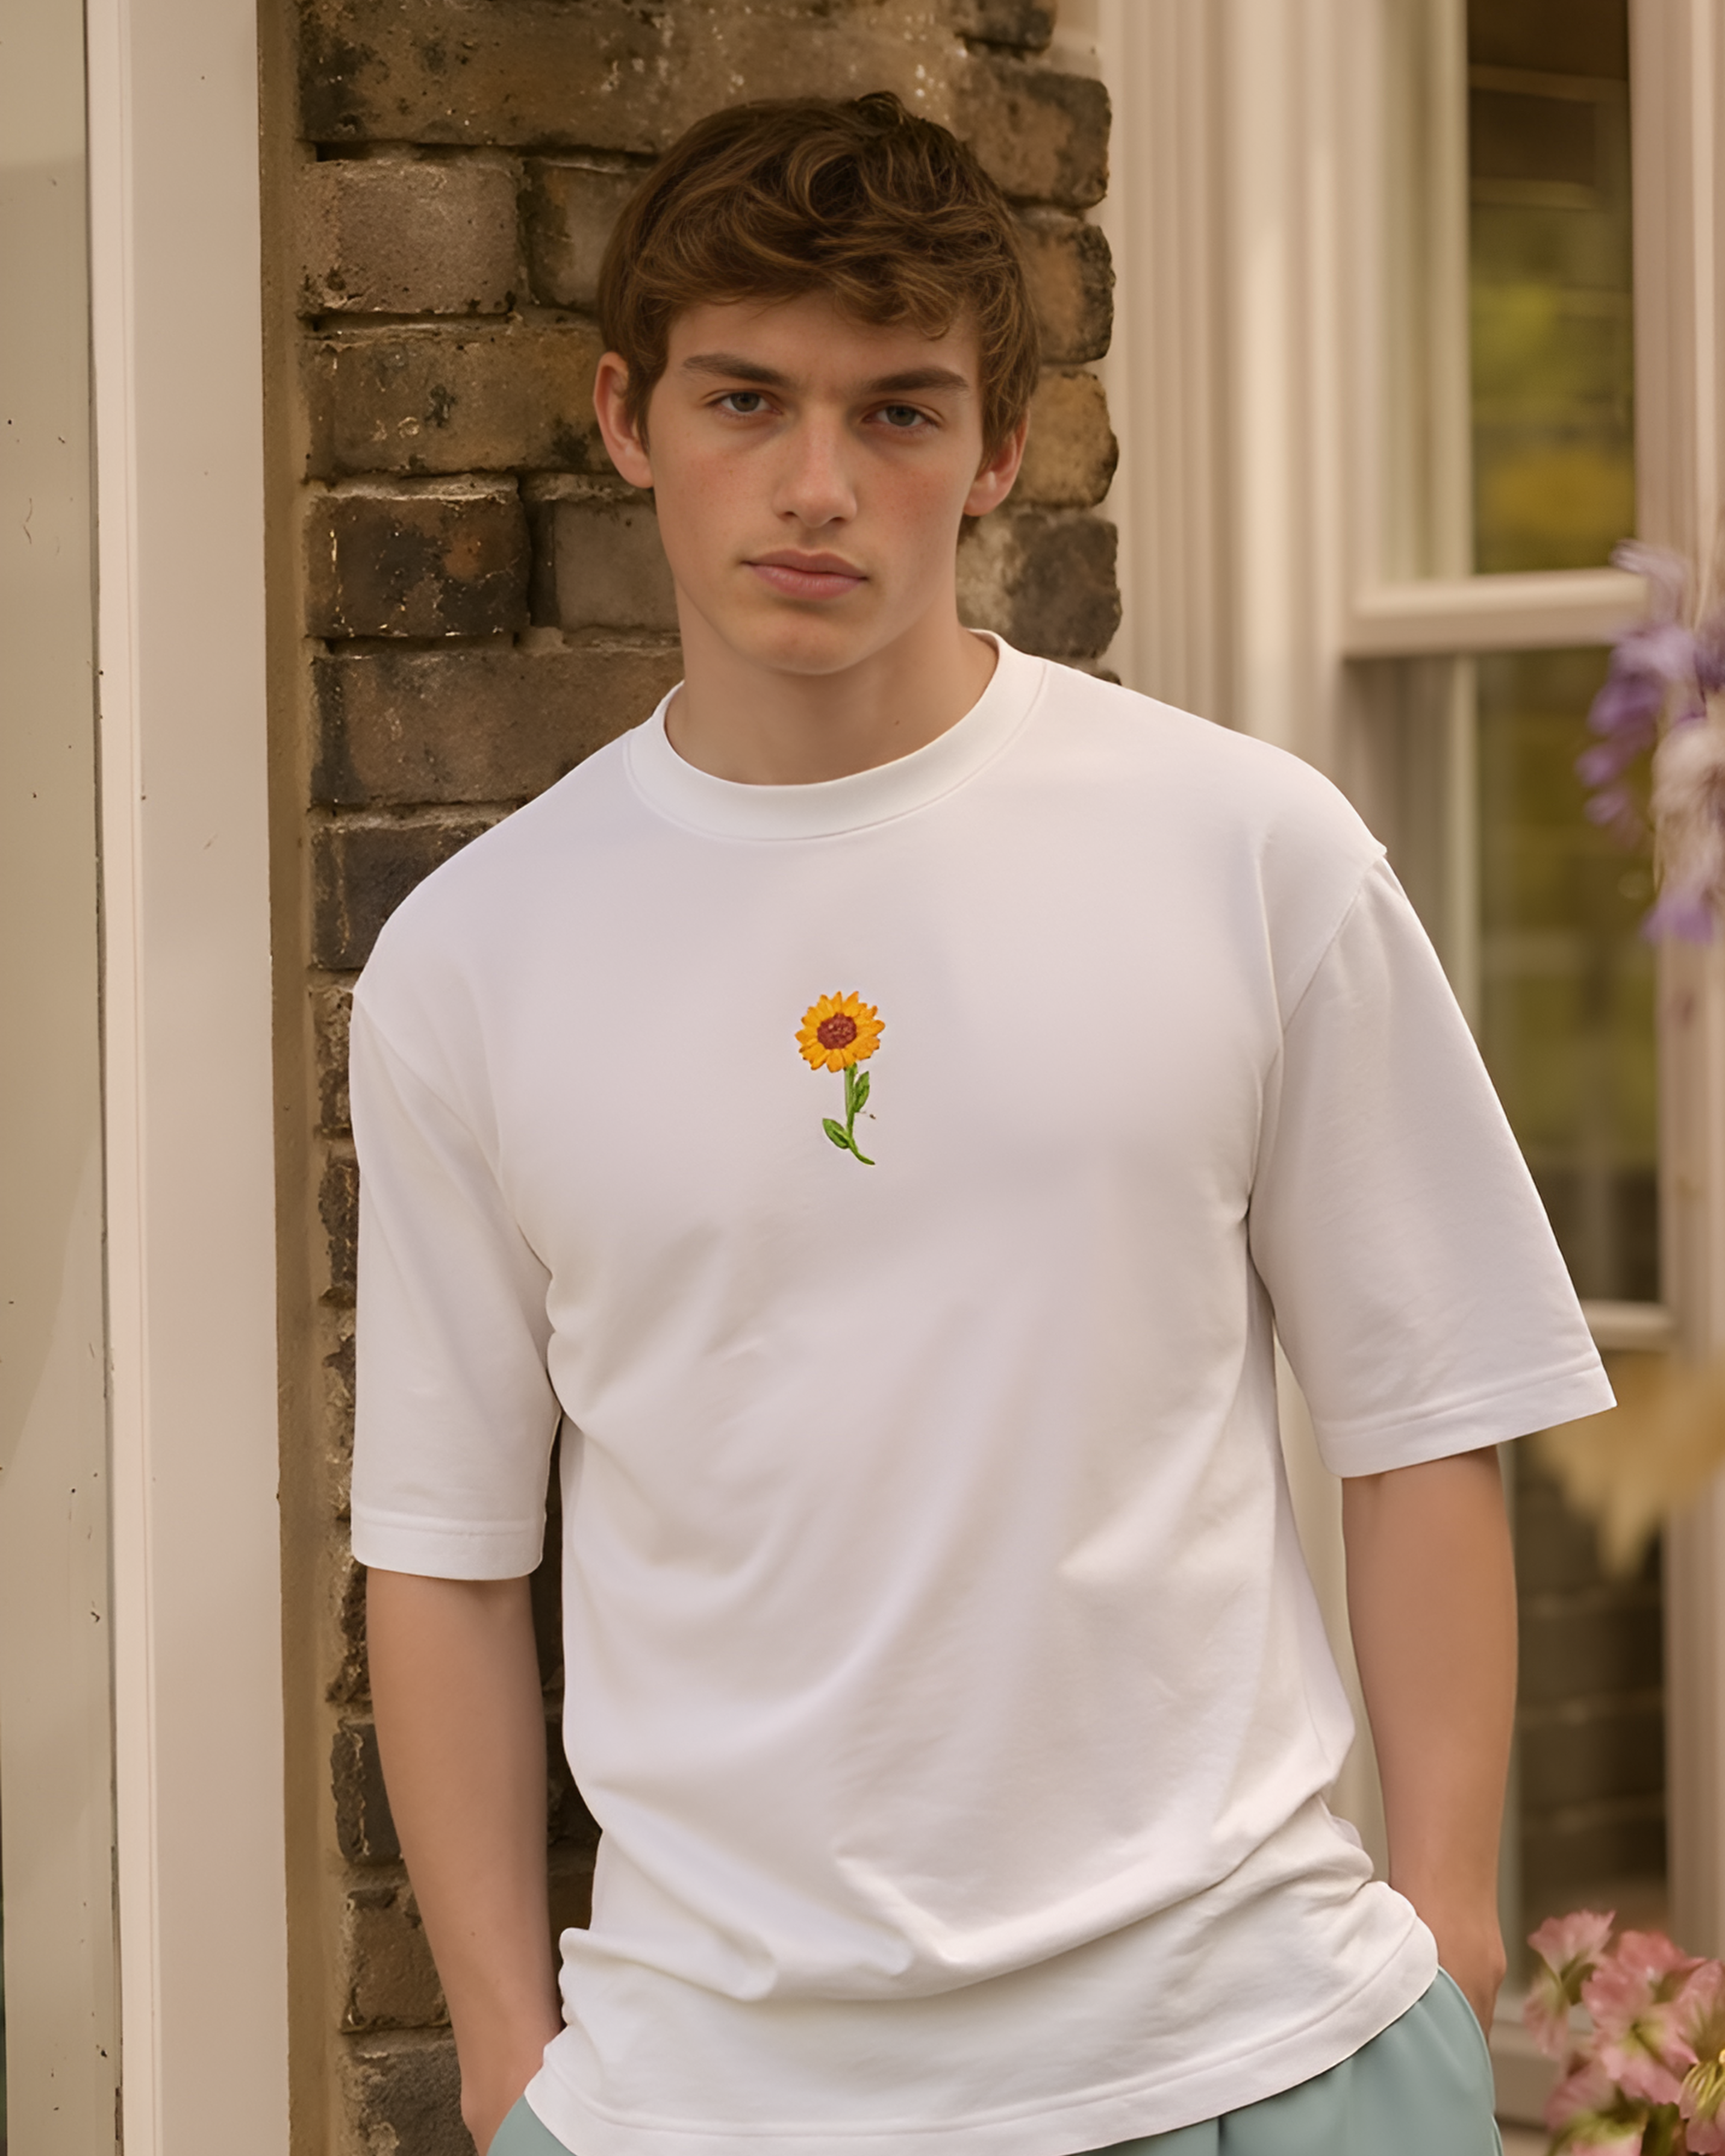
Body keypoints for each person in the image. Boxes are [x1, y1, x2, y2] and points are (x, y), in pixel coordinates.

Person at [352, 93, 1612, 2156]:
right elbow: (446, 1553)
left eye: (903, 412)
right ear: (624, 417)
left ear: (1003, 451)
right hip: (708, 2096)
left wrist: (1445, 1931)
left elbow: (1425, 1408)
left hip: (1261, 2052)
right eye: (745, 399)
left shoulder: (1248, 849)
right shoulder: (473, 960)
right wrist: (511, 2067)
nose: (818, 485)